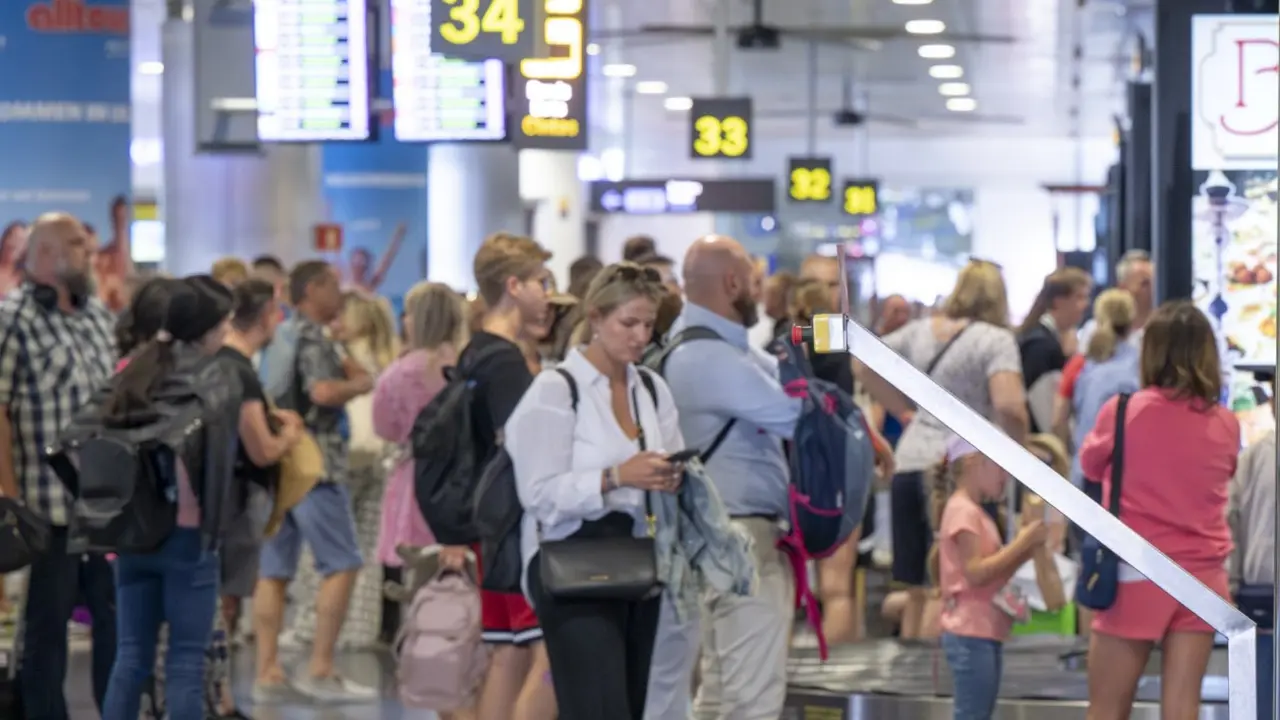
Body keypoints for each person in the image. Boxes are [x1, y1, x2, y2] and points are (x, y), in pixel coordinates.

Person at [506, 262, 681, 719]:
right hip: (572, 562)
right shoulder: (556, 390)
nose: (640, 336)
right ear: (597, 318)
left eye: (648, 324)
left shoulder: (652, 389)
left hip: (641, 560)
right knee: (597, 707)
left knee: (629, 703)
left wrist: (672, 477)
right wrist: (615, 477)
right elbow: (538, 494)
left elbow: (673, 460)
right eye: (628, 323)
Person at [654, 235, 804, 720]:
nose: (759, 295)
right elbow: (797, 417)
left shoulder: (704, 349)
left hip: (713, 540)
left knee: (718, 693)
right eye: (755, 284)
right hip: (741, 541)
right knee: (752, 699)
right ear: (733, 282)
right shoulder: (711, 358)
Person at [1079, 301, 1239, 719]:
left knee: (1108, 709)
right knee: (1183, 709)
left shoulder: (1124, 412)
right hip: (1203, 579)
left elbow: (1089, 465)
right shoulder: (1226, 422)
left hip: (1137, 570)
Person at [856, 259, 1028, 639]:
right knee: (946, 585)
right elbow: (1009, 405)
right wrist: (1022, 449)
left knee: (916, 589)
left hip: (911, 459)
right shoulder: (994, 340)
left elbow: (864, 364)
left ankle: (909, 689)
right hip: (961, 469)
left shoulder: (918, 332)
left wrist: (906, 408)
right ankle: (941, 689)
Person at [93, 275, 238, 720]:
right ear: (208, 329)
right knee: (186, 660)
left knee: (131, 656)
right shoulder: (212, 379)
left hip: (132, 535)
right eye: (224, 324)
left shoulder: (129, 371)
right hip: (188, 538)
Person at [0, 213, 118, 720]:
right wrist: (8, 496)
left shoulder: (98, 317)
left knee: (115, 626)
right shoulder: (12, 318)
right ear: (44, 255)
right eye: (76, 242)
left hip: (103, 502)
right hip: (44, 504)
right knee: (45, 632)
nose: (89, 248)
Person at [252, 260, 376, 702]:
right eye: (331, 284)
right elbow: (322, 391)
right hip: (316, 465)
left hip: (280, 466)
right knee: (342, 563)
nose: (339, 291)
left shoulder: (280, 335)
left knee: (274, 569)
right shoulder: (309, 336)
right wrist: (361, 384)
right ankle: (322, 667)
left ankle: (267, 671)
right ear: (313, 290)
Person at [454, 232, 556, 720]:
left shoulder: (474, 351)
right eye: (541, 281)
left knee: (507, 649)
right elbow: (525, 450)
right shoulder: (508, 364)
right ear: (514, 285)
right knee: (539, 652)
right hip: (513, 526)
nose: (548, 293)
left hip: (487, 525)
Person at [213, 278, 305, 718]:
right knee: (224, 602)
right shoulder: (241, 371)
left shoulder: (217, 363)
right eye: (276, 312)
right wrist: (288, 435)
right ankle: (219, 697)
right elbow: (261, 449)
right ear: (266, 315)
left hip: (217, 500)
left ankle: (216, 693)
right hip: (234, 503)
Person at [289, 291, 400, 650]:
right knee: (364, 551)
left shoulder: (338, 358)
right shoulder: (390, 359)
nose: (334, 322)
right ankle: (358, 630)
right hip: (379, 460)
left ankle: (312, 626)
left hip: (339, 460)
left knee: (322, 556)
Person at [931, 436, 1048, 720]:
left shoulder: (975, 513)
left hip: (983, 632)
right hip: (970, 633)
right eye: (1000, 466)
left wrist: (1026, 548)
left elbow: (994, 572)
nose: (1005, 476)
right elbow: (976, 573)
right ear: (974, 463)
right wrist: (1022, 544)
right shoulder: (963, 511)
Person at [373, 282, 467, 567]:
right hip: (464, 478)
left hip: (415, 479)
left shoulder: (399, 372)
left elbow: (383, 427)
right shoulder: (466, 364)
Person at [1052, 289, 1139, 484]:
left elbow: (1058, 419)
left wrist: (1070, 452)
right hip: (1128, 475)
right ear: (1131, 321)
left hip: (1085, 470)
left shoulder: (1078, 365)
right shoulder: (1143, 366)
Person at [1227, 379, 1275, 720]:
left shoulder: (1256, 455)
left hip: (1262, 588)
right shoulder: (1257, 454)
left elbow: (1233, 519)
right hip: (1263, 589)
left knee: (1263, 695)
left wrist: (1233, 581)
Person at [1015, 267, 1092, 434]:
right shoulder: (1041, 347)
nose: (1086, 304)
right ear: (1058, 301)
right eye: (1079, 297)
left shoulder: (1046, 339)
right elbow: (1048, 416)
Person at [1078, 250, 1153, 350]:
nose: (1153, 289)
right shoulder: (1095, 332)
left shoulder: (1164, 331)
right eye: (1145, 283)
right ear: (1123, 288)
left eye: (1155, 282)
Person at [0, 220, 28, 296]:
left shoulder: (25, 281)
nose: (15, 244)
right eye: (13, 237)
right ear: (4, 239)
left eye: (21, 241)